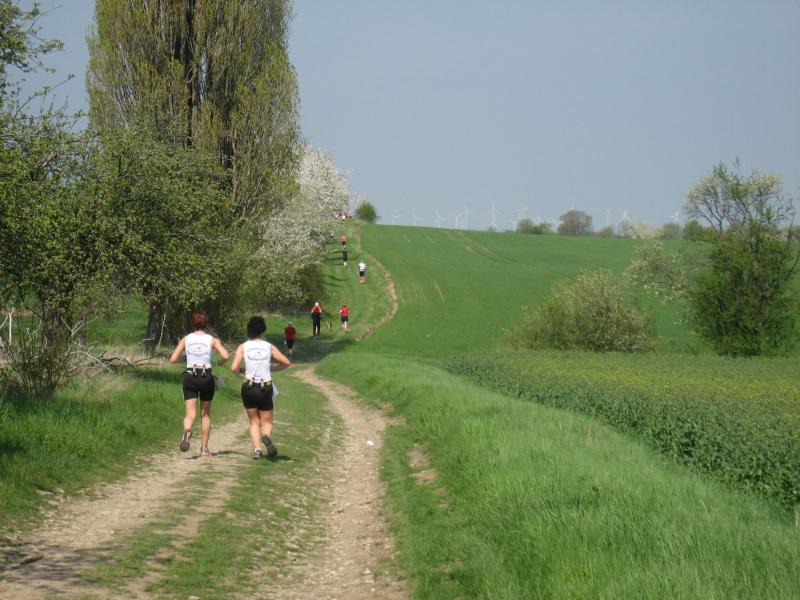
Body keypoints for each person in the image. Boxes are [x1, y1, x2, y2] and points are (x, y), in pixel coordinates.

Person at [169, 311, 230, 457]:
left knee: (190, 414)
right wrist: (220, 362)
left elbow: (173, 359)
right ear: (206, 324)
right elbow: (226, 356)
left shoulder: (186, 339)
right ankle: (204, 449)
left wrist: (185, 359)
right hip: (206, 377)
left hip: (190, 376)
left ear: (193, 324)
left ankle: (187, 430)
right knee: (205, 414)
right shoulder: (212, 340)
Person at [230, 316, 291, 459]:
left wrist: (242, 370)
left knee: (254, 422)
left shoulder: (243, 347)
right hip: (265, 387)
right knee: (267, 422)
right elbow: (286, 362)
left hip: (248, 387)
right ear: (263, 330)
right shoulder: (269, 346)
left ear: (249, 330)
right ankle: (266, 437)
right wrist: (272, 369)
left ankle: (257, 450)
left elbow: (233, 368)